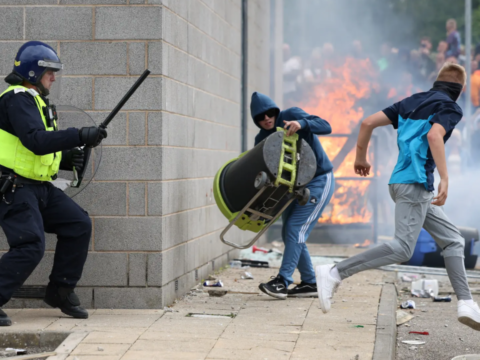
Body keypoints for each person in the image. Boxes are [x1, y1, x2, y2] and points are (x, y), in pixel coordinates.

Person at [315, 63, 480, 331]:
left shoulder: (411, 101)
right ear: (460, 91)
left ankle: (466, 302)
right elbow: (434, 136)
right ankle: (334, 272)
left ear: (436, 83)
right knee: (403, 248)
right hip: (414, 185)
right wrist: (445, 178)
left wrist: (360, 157)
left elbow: (367, 122)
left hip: (402, 185)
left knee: (453, 241)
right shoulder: (450, 107)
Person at [0, 41, 107, 326]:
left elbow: (34, 149)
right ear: (34, 72)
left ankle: (60, 291)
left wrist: (67, 159)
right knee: (30, 245)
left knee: (78, 224)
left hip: (38, 186)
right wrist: (80, 135)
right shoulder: (17, 98)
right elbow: (35, 141)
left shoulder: (35, 100)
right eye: (50, 72)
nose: (54, 78)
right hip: (14, 188)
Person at [250, 91, 335, 299]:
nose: (266, 119)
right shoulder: (261, 138)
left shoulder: (291, 115)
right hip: (291, 189)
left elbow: (326, 126)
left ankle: (283, 281)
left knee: (296, 228)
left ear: (275, 111)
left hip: (318, 181)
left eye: (269, 113)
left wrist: (302, 123)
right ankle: (310, 283)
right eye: (260, 117)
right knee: (290, 232)